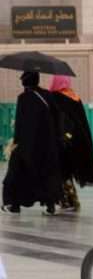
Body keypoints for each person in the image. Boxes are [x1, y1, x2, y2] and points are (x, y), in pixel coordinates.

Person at [1, 72, 62, 216]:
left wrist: (15, 143)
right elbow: (56, 116)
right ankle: (50, 206)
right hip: (47, 145)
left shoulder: (23, 98)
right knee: (46, 175)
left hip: (27, 145)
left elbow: (20, 124)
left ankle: (13, 205)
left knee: (16, 174)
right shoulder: (47, 95)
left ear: (25, 82)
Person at [49, 75, 93, 212]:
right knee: (66, 171)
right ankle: (71, 201)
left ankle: (68, 202)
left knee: (62, 171)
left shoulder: (55, 97)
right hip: (77, 140)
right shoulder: (74, 96)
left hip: (62, 140)